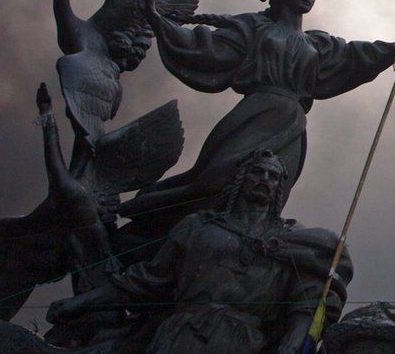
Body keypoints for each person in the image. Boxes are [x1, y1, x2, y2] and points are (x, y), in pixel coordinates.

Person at [118, 0, 395, 233]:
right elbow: (208, 49)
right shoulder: (252, 27)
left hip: (293, 123)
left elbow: (353, 57)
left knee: (270, 191)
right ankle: (149, 228)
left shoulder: (318, 43)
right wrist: (157, 20)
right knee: (215, 181)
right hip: (255, 113)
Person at [45, 149, 352, 353]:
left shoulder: (295, 243)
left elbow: (309, 302)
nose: (265, 180)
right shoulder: (199, 227)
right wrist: (82, 302)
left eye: (273, 176)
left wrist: (292, 344)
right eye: (257, 172)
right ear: (240, 180)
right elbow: (145, 281)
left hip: (242, 342)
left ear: (279, 189)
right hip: (180, 335)